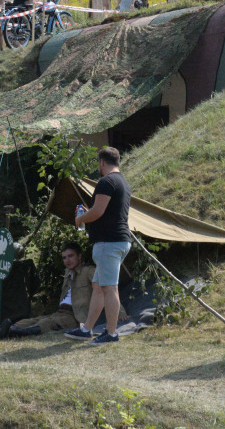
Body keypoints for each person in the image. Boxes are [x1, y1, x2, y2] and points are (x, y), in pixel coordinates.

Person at [0, 241, 116, 338]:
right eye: (64, 257)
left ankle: (1, 334)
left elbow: (107, 290)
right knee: (31, 320)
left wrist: (120, 313)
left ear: (79, 256)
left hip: (76, 316)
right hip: (60, 311)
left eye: (71, 256)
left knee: (45, 324)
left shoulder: (89, 271)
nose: (67, 260)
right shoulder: (67, 273)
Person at [66, 147, 131, 345]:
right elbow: (103, 210)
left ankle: (111, 334)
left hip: (108, 243)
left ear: (102, 162)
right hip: (115, 242)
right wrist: (90, 212)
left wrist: (81, 218)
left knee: (109, 288)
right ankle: (87, 329)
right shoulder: (121, 181)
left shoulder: (106, 181)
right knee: (98, 287)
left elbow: (98, 212)